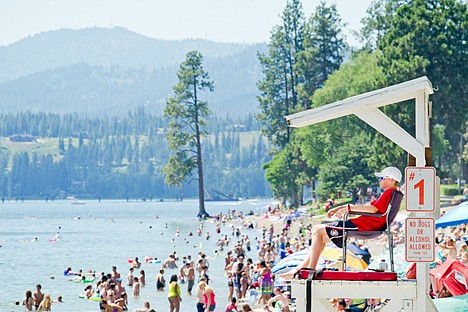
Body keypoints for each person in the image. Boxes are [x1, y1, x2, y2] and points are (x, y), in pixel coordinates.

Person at [281, 166, 402, 279]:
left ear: (391, 180)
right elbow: (371, 209)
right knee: (321, 237)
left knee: (317, 230)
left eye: (381, 178)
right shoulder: (393, 194)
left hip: (363, 226)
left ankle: (310, 269)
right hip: (365, 225)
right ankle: (298, 269)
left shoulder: (389, 192)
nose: (379, 180)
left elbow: (373, 210)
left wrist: (348, 208)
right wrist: (341, 208)